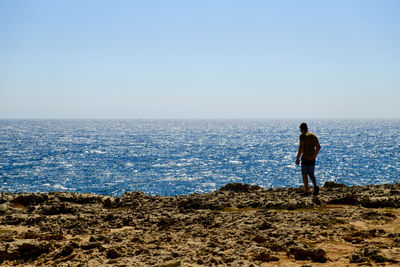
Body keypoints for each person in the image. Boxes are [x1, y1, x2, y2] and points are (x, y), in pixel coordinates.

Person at [296, 123, 321, 196]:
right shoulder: (313, 136)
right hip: (312, 158)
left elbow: (301, 148)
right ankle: (315, 186)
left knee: (304, 175)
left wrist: (297, 158)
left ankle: (307, 191)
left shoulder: (302, 136)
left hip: (305, 158)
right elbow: (318, 147)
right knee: (311, 174)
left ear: (301, 129)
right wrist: (314, 155)